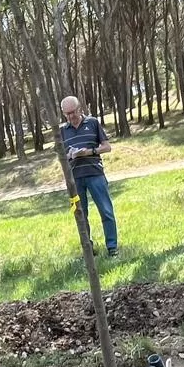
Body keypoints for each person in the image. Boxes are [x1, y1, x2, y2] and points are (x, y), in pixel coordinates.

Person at [59, 95, 119, 257]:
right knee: (81, 215)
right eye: (67, 114)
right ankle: (88, 249)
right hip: (75, 178)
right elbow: (61, 156)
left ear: (80, 108)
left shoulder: (92, 123)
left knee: (106, 211)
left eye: (73, 112)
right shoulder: (62, 131)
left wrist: (89, 152)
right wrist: (69, 155)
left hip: (95, 173)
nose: (71, 116)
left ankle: (112, 248)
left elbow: (107, 147)